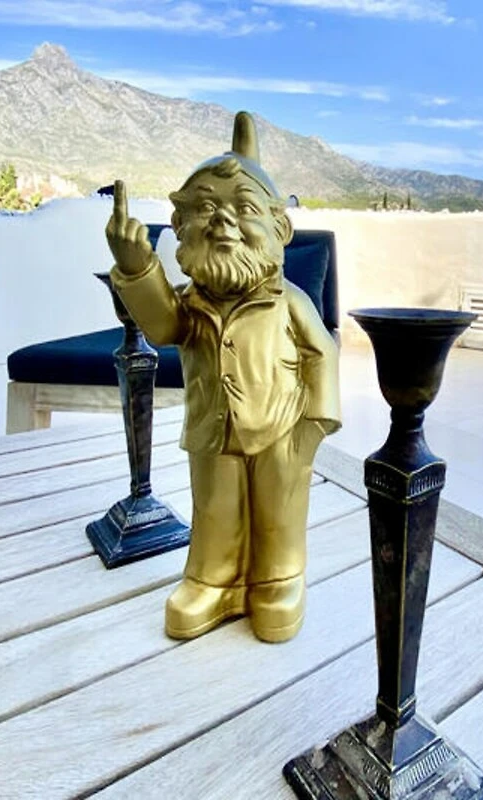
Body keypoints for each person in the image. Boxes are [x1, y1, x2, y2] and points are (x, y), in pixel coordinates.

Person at [106, 112, 340, 643]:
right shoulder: (192, 303)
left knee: (279, 509)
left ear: (279, 230)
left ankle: (279, 579)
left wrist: (314, 425)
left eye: (244, 209)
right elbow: (162, 326)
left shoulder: (289, 301)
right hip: (212, 427)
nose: (223, 222)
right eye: (207, 208)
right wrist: (137, 268)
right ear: (181, 225)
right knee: (214, 508)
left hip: (281, 428)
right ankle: (212, 581)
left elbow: (322, 353)